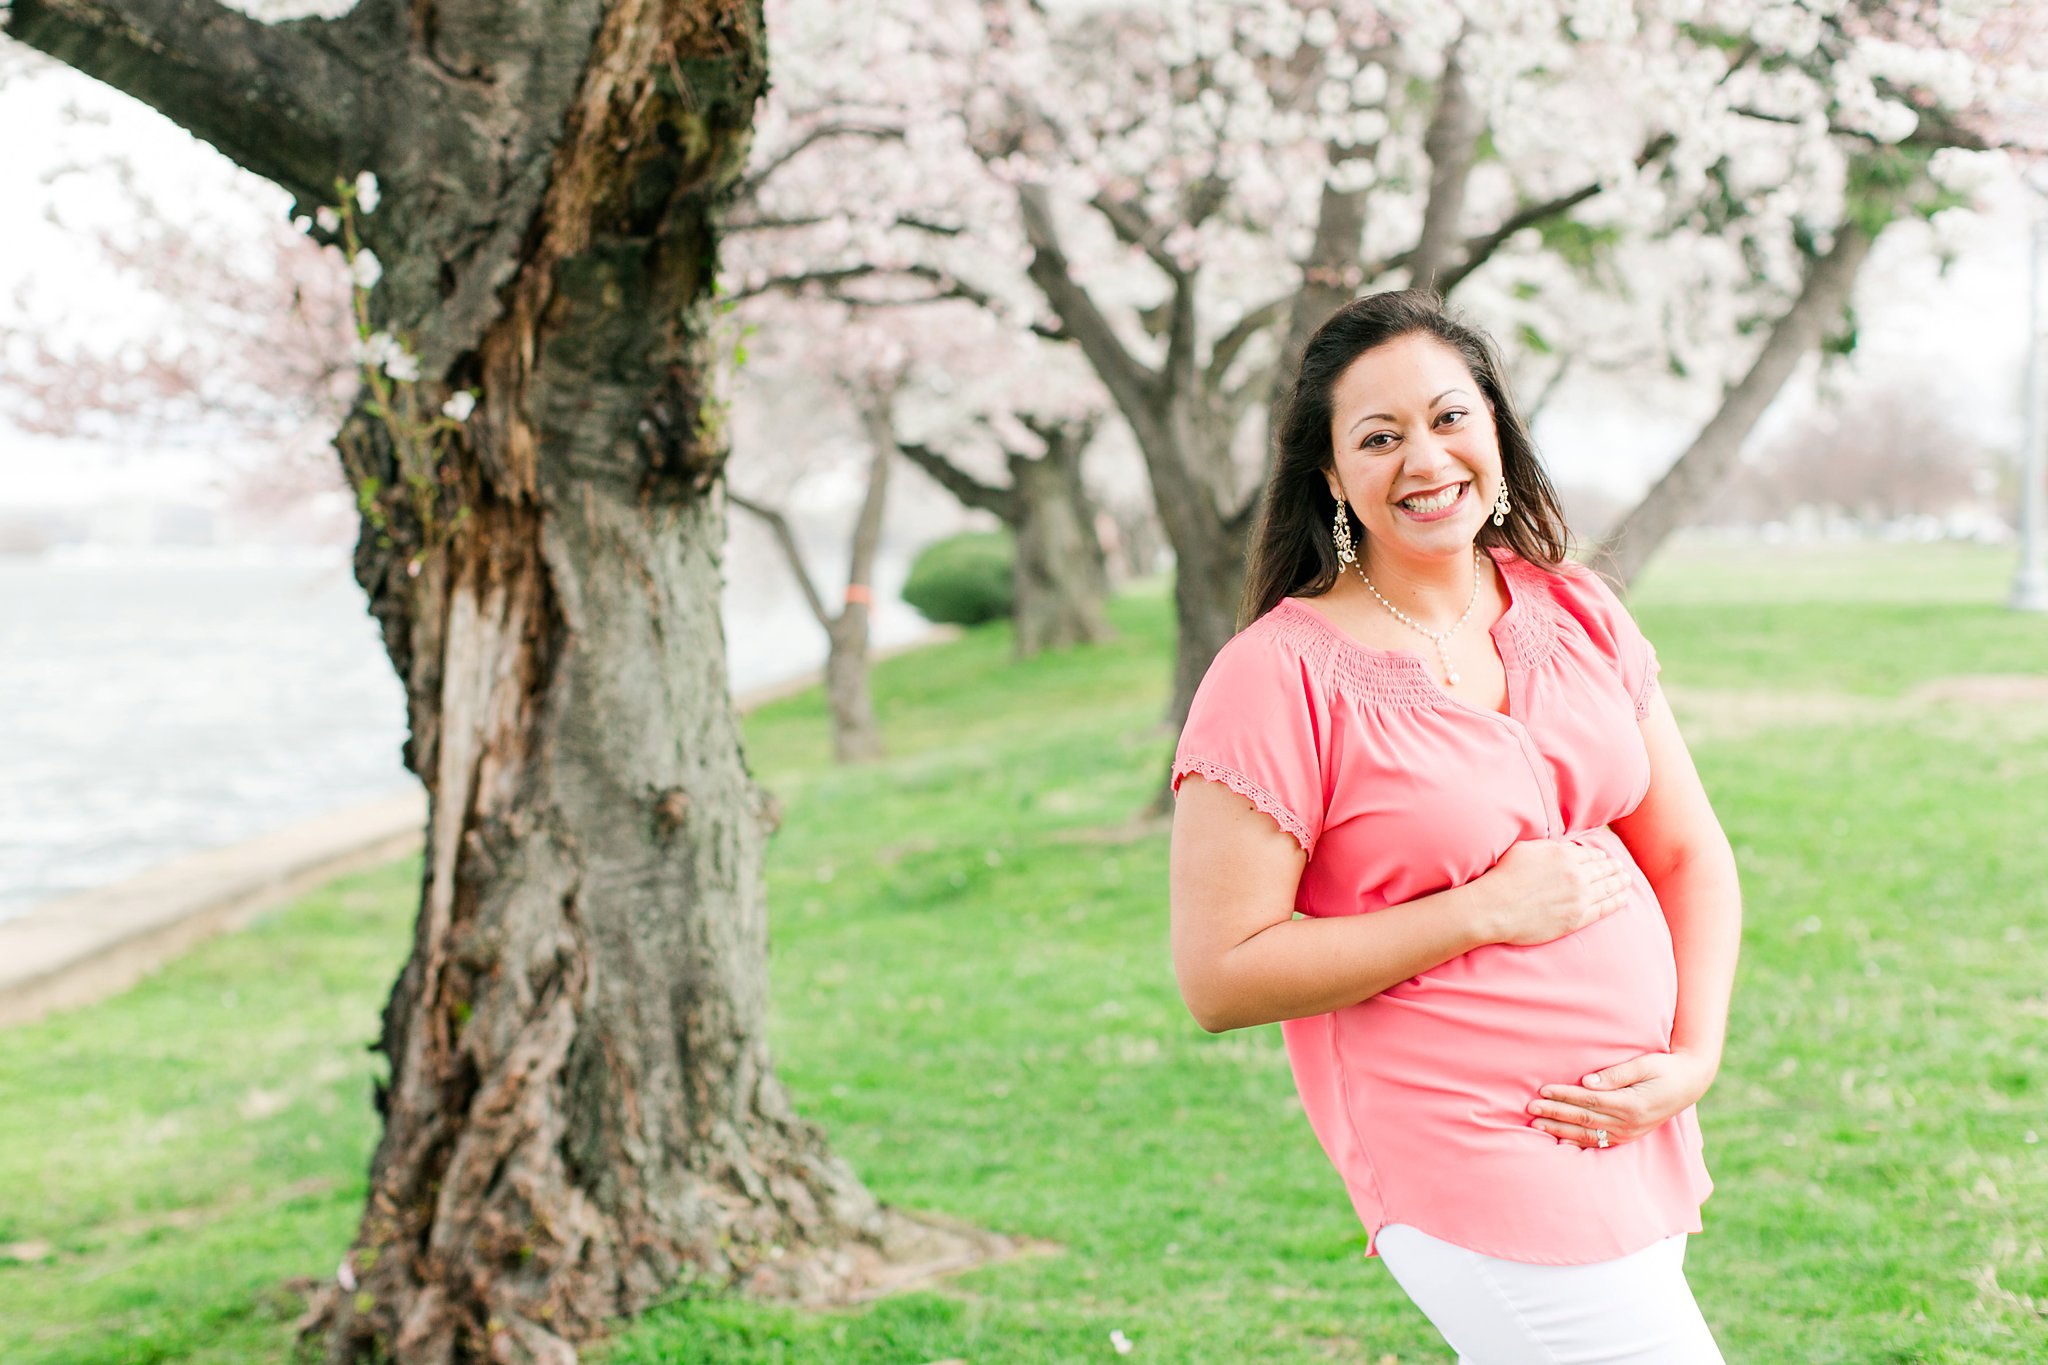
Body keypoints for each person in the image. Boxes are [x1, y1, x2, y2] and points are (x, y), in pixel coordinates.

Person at [1167, 289, 1741, 1364]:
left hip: (1632, 1122)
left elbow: (1686, 854)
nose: (1423, 460)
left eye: (1447, 418)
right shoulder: (1274, 678)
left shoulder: (1575, 611)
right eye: (1377, 438)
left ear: (1493, 429)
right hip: (1462, 1145)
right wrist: (1478, 912)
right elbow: (1220, 976)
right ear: (1331, 477)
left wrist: (1691, 1056)